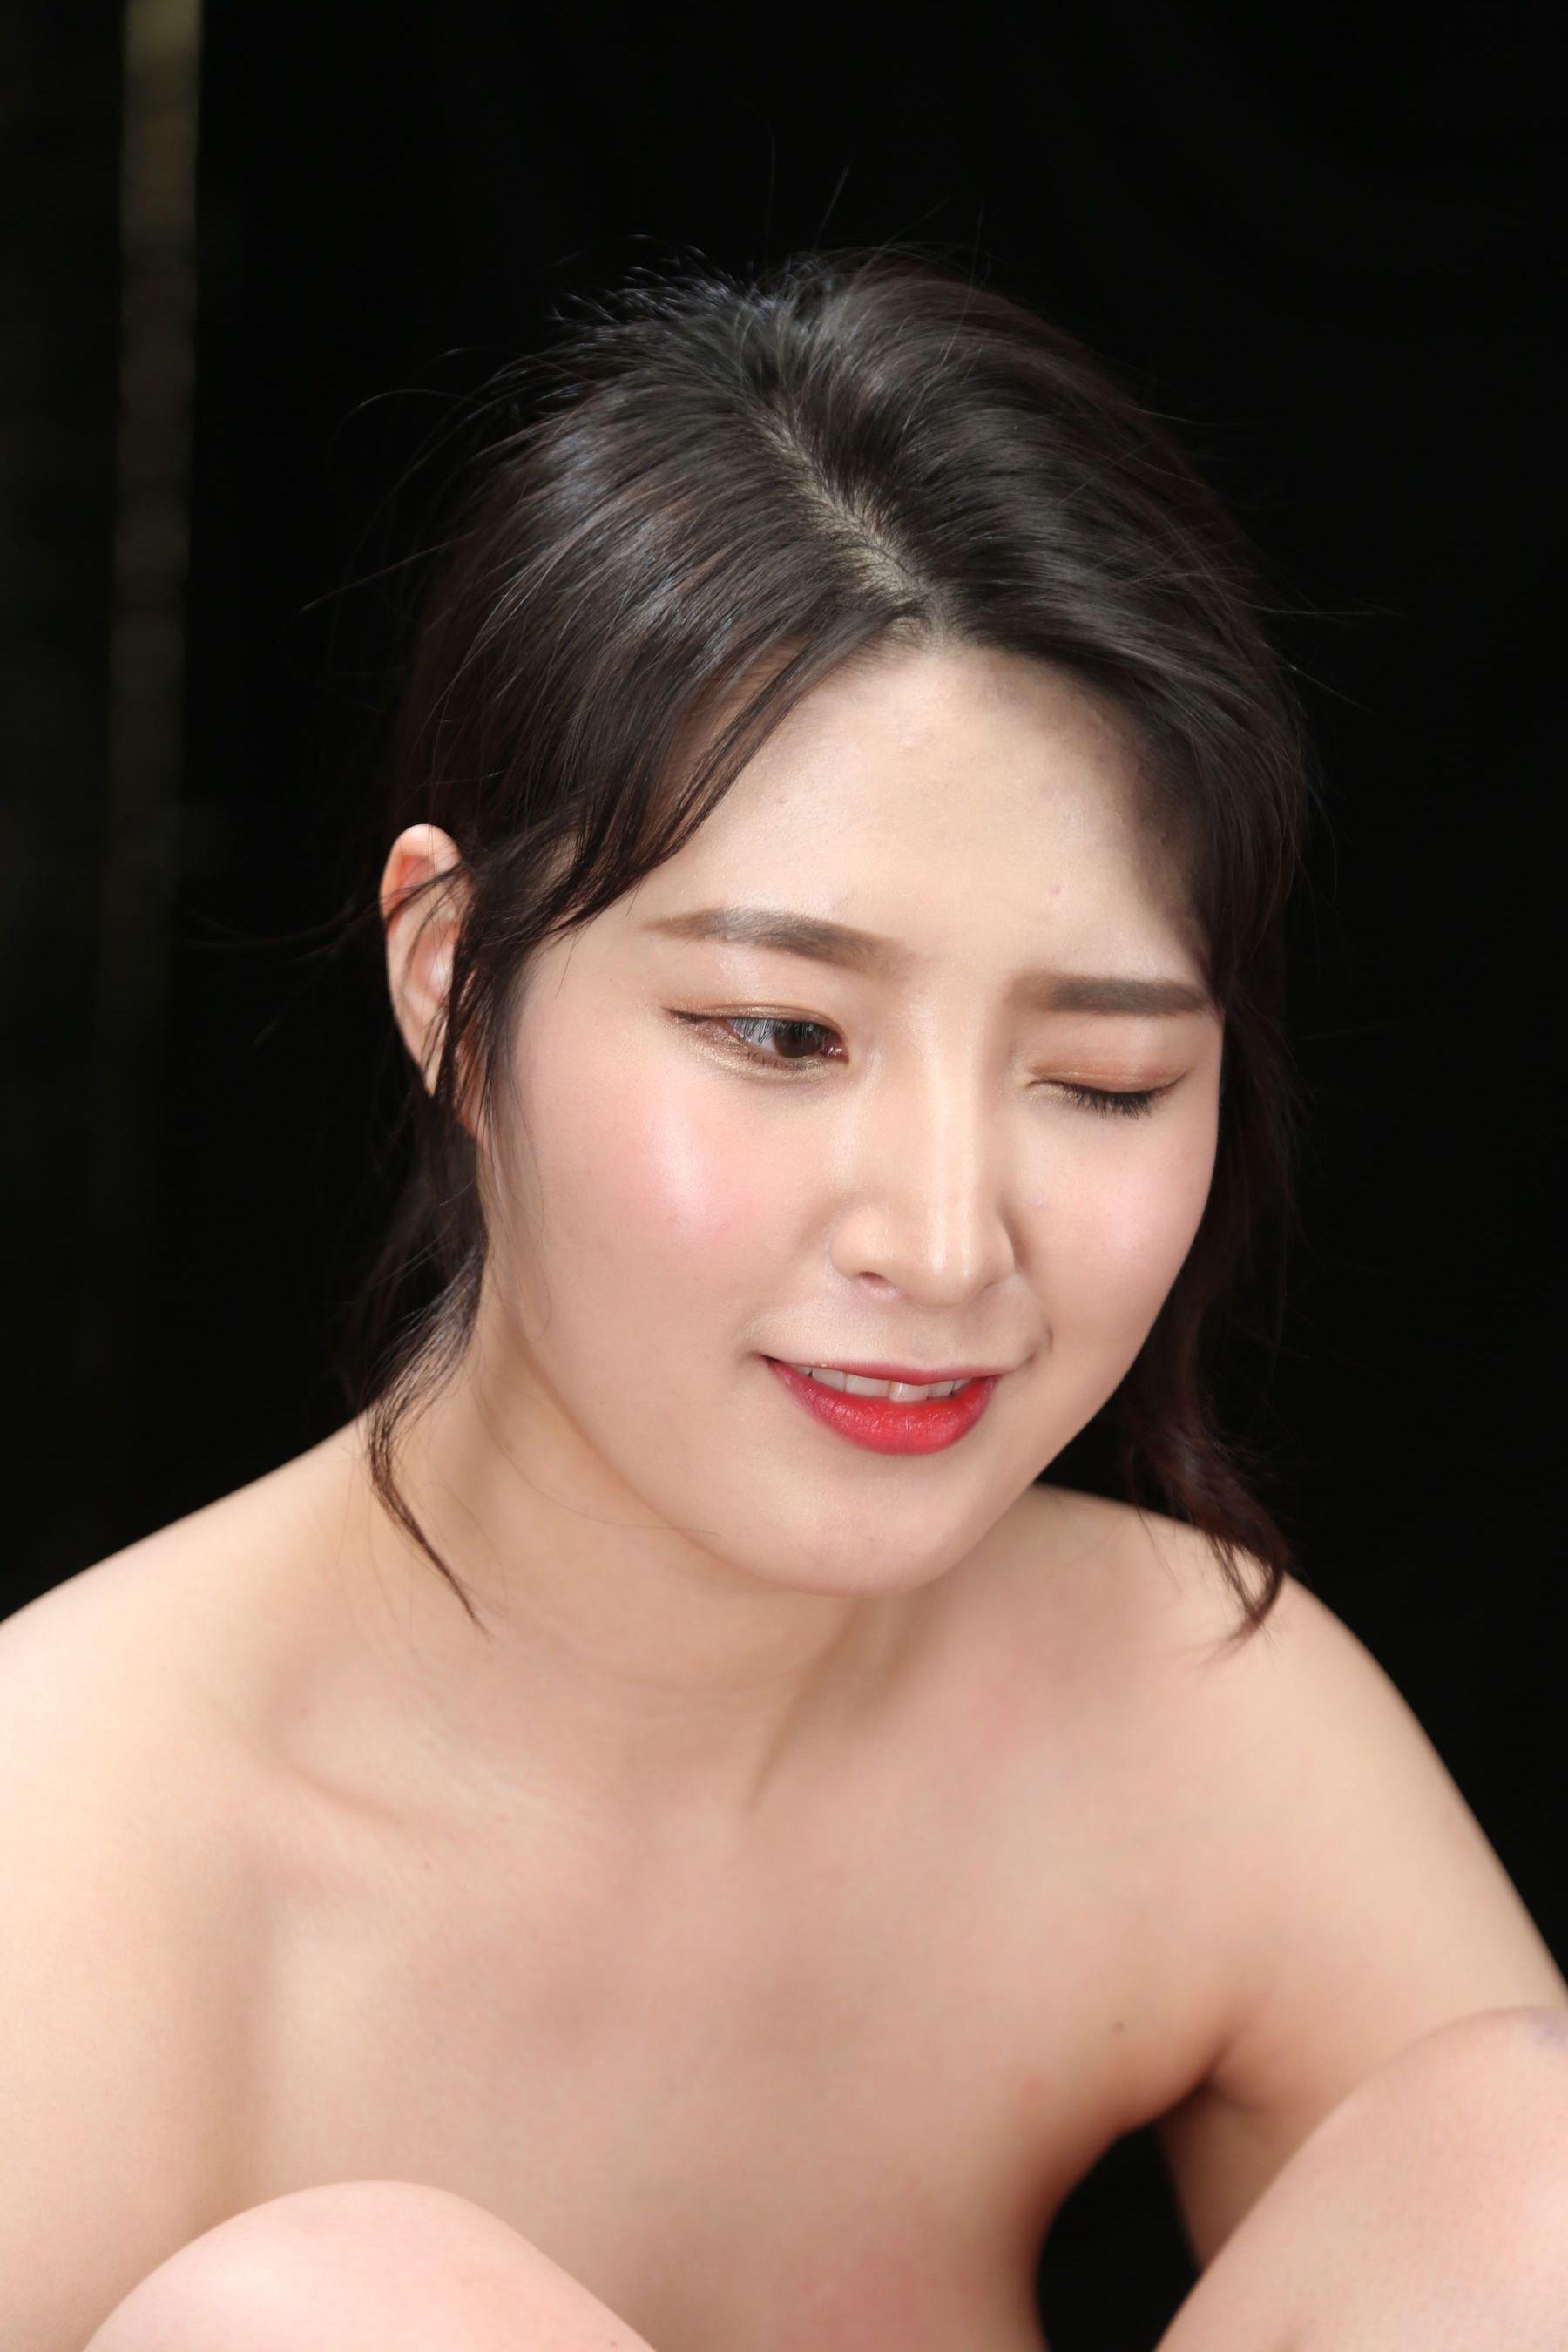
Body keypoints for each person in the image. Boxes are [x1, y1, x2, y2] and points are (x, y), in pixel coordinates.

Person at [6, 248, 1565, 2352]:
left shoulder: (1183, 1715)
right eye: (781, 1036)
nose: (948, 1241)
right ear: (453, 985)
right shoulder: (61, 1880)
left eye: (1105, 1080)